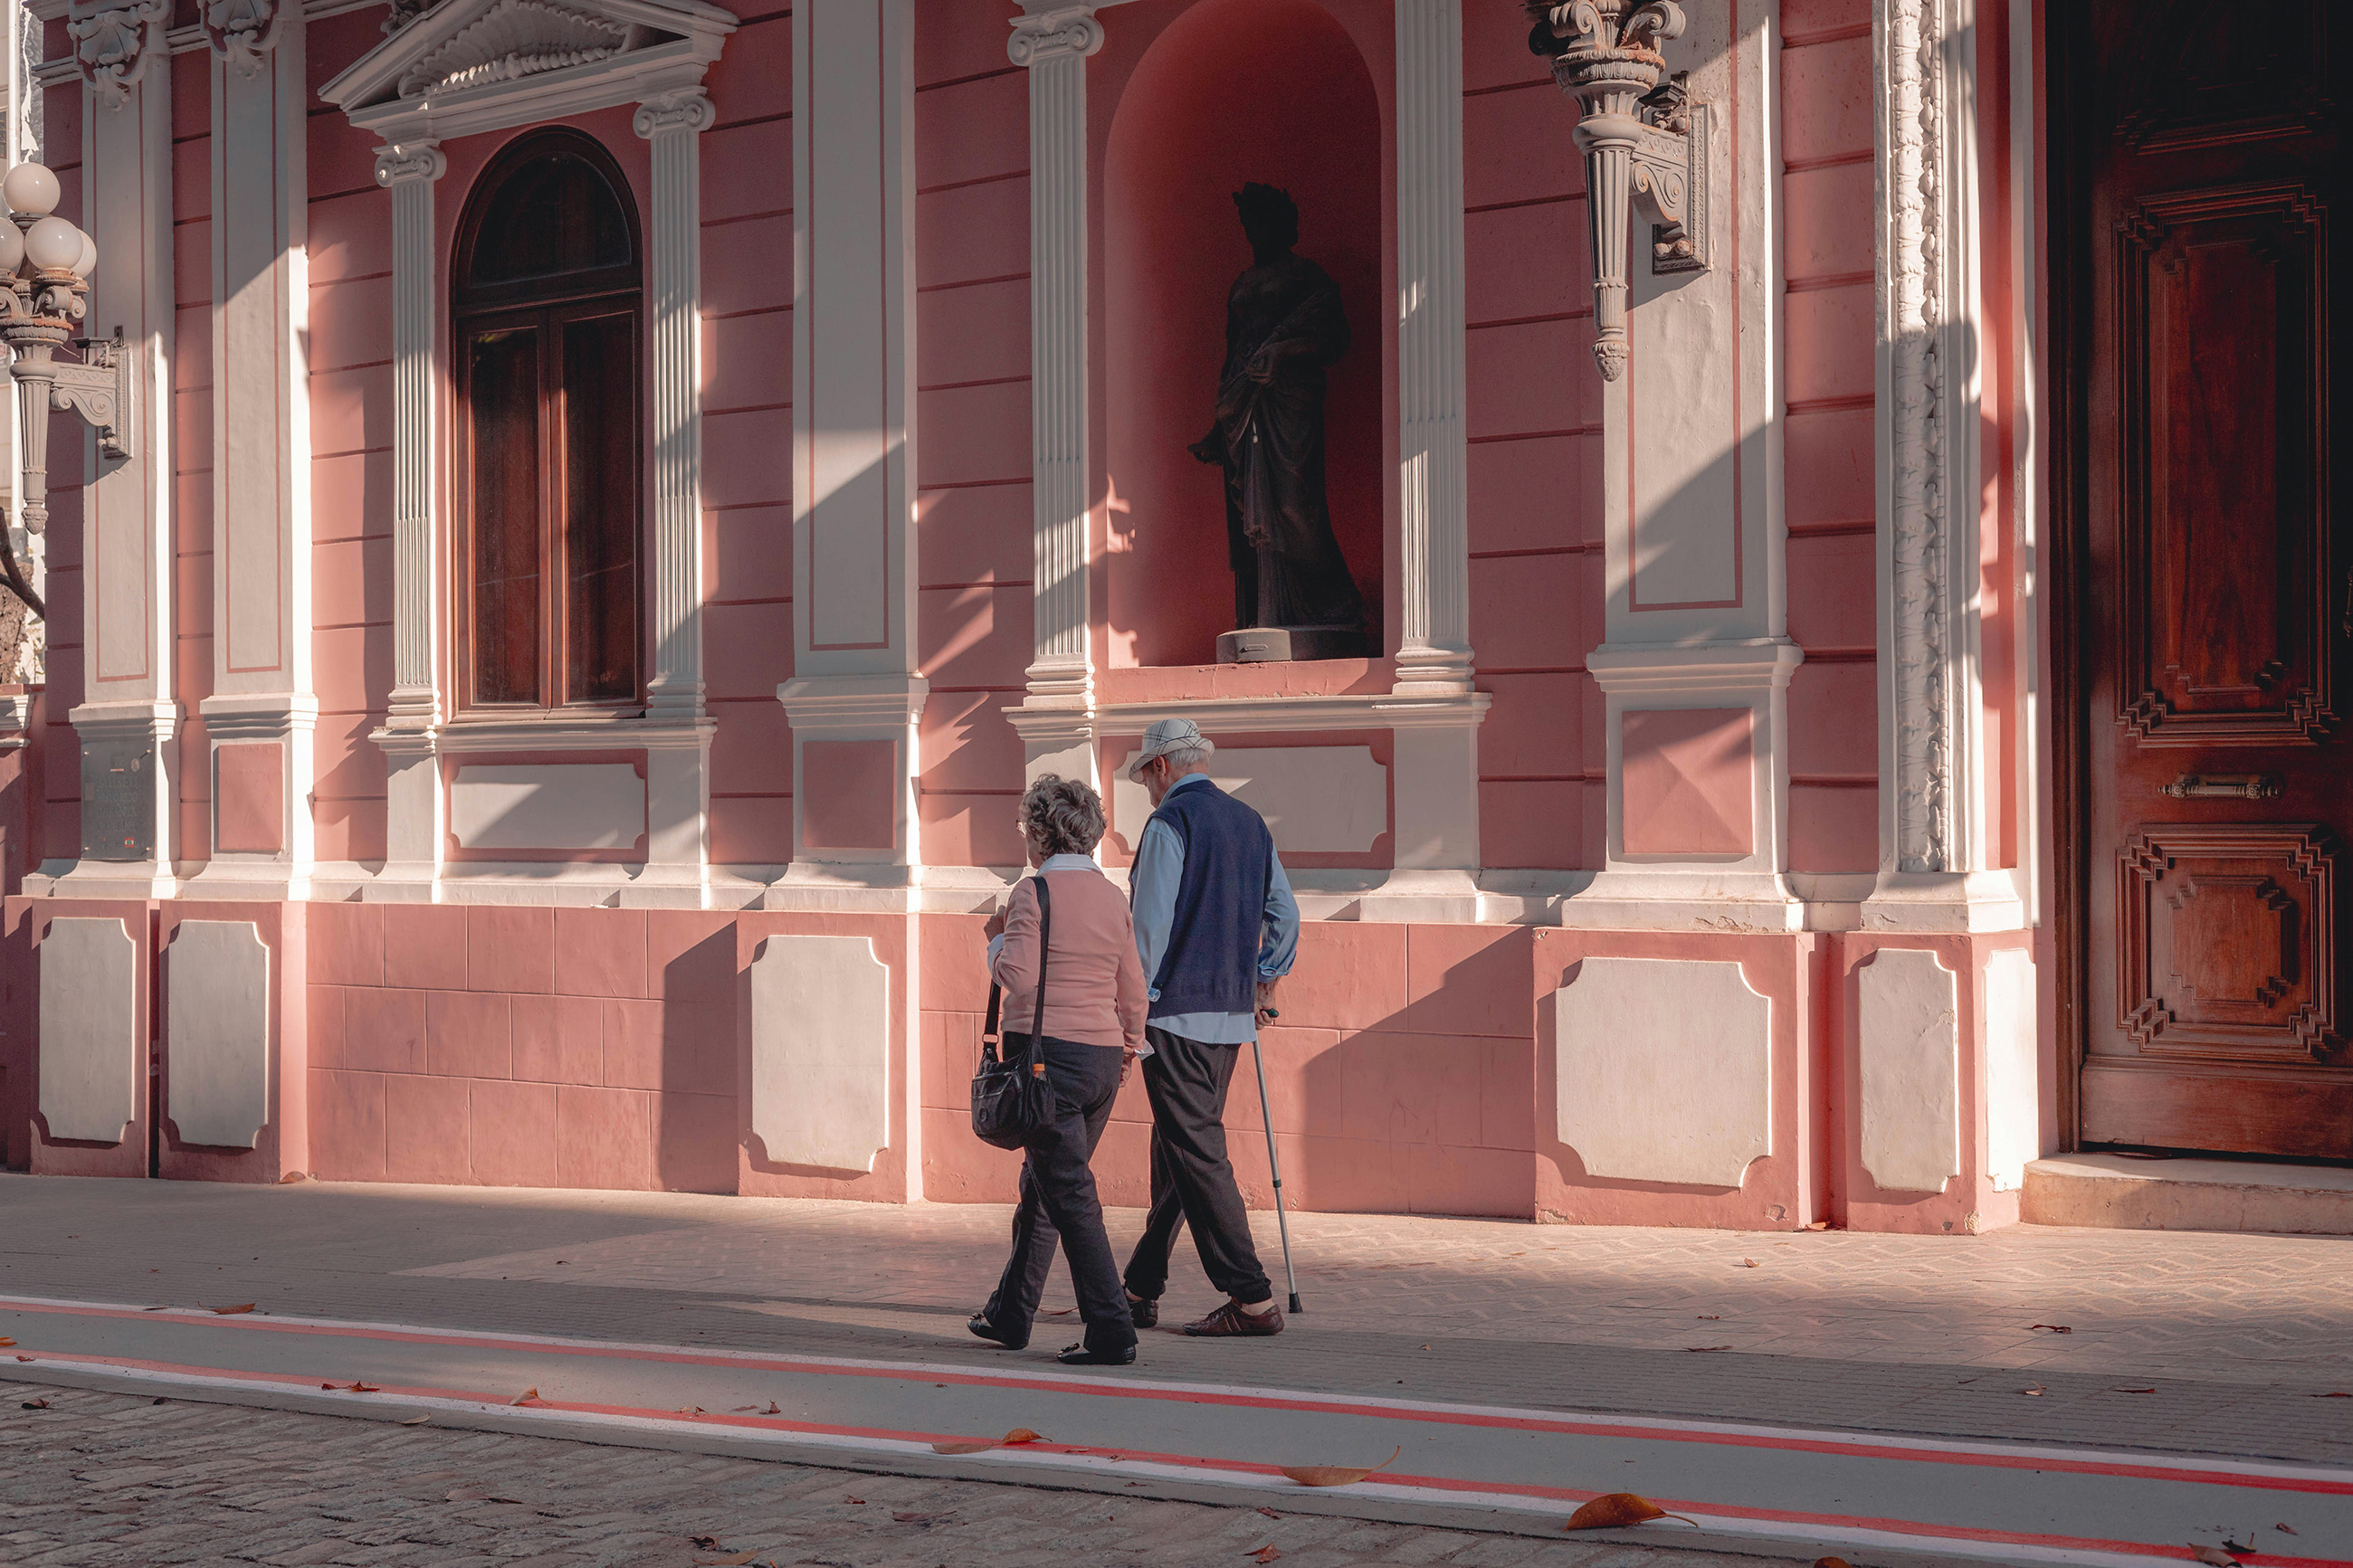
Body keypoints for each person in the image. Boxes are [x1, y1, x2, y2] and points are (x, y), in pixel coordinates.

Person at [1119, 717, 1299, 1338]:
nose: (1146, 784)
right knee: (1180, 1147)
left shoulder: (1170, 823)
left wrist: (1130, 1008)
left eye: (1145, 772)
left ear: (1163, 765)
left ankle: (1251, 1297)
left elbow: (1149, 928)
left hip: (1174, 1014)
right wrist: (1264, 975)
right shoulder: (1251, 824)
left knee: (1197, 1152)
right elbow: (1286, 913)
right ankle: (1140, 1286)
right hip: (1229, 1018)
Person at [969, 774, 1146, 1367]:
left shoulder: (1032, 893)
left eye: (1027, 827)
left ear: (1041, 833)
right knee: (1046, 1186)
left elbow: (1016, 975)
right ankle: (1010, 1312)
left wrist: (995, 941)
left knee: (1070, 1194)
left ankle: (1111, 1329)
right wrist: (1128, 1046)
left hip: (1048, 1061)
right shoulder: (1113, 899)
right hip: (1099, 1061)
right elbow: (1134, 990)